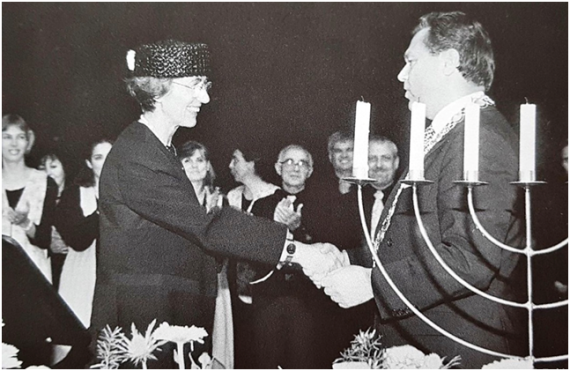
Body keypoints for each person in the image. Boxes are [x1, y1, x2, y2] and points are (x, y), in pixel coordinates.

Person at [90, 39, 341, 368]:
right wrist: (297, 252)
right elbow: (206, 225)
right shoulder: (137, 155)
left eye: (205, 86)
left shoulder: (159, 151)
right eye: (195, 86)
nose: (205, 98)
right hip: (141, 325)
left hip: (166, 318)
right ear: (157, 88)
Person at [320, 11, 526, 368]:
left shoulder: (481, 140)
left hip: (456, 347)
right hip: (424, 341)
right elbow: (417, 239)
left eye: (411, 61)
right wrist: (348, 259)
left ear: (448, 62)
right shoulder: (452, 135)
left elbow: (471, 259)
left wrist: (372, 283)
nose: (401, 74)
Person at [248, 144, 328, 369]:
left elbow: (329, 249)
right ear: (277, 168)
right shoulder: (261, 206)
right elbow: (251, 251)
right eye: (289, 162)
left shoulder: (324, 206)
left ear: (310, 170)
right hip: (268, 298)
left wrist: (299, 229)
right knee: (266, 362)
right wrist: (276, 228)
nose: (295, 168)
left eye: (302, 163)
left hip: (308, 300)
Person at [52, 138, 113, 367]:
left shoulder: (131, 197)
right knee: (72, 356)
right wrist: (102, 210)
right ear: (89, 163)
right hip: (80, 282)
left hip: (114, 286)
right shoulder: (73, 195)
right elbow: (78, 240)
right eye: (99, 157)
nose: (106, 163)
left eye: (111, 155)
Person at [226, 146, 279, 369]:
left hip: (266, 291)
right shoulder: (230, 197)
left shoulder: (276, 196)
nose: (230, 165)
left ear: (251, 163)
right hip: (233, 288)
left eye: (235, 160)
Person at [2, 114, 58, 283]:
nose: (14, 144)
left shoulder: (46, 182)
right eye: (6, 137)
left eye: (20, 137)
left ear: (28, 142)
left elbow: (45, 240)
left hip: (33, 278)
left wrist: (25, 223)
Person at [39, 151, 71, 290]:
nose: (48, 173)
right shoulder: (34, 201)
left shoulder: (78, 197)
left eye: (53, 166)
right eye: (42, 168)